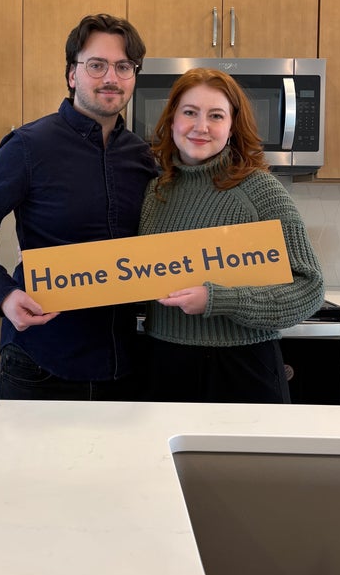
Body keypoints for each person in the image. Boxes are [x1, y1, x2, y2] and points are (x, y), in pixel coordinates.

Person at [0, 13, 157, 400]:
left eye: (123, 66)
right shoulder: (30, 145)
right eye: (96, 65)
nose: (111, 77)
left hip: (125, 366)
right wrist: (2, 293)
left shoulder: (143, 157)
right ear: (72, 74)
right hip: (41, 362)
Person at [138, 67, 324, 404]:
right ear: (172, 120)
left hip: (243, 367)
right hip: (163, 363)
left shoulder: (261, 191)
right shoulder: (155, 192)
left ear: (232, 126)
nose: (201, 126)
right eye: (190, 112)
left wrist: (218, 300)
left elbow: (309, 290)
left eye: (216, 115)